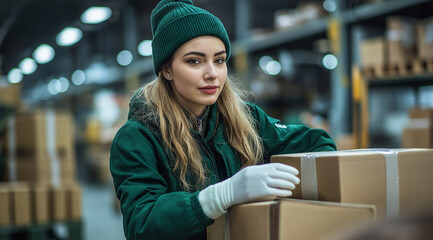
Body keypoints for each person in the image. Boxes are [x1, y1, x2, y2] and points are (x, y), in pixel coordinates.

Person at [109, 0, 336, 239]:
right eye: (194, 61)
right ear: (167, 70)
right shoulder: (138, 137)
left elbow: (317, 144)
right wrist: (221, 196)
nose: (212, 74)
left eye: (219, 60)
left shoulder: (246, 118)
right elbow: (141, 223)